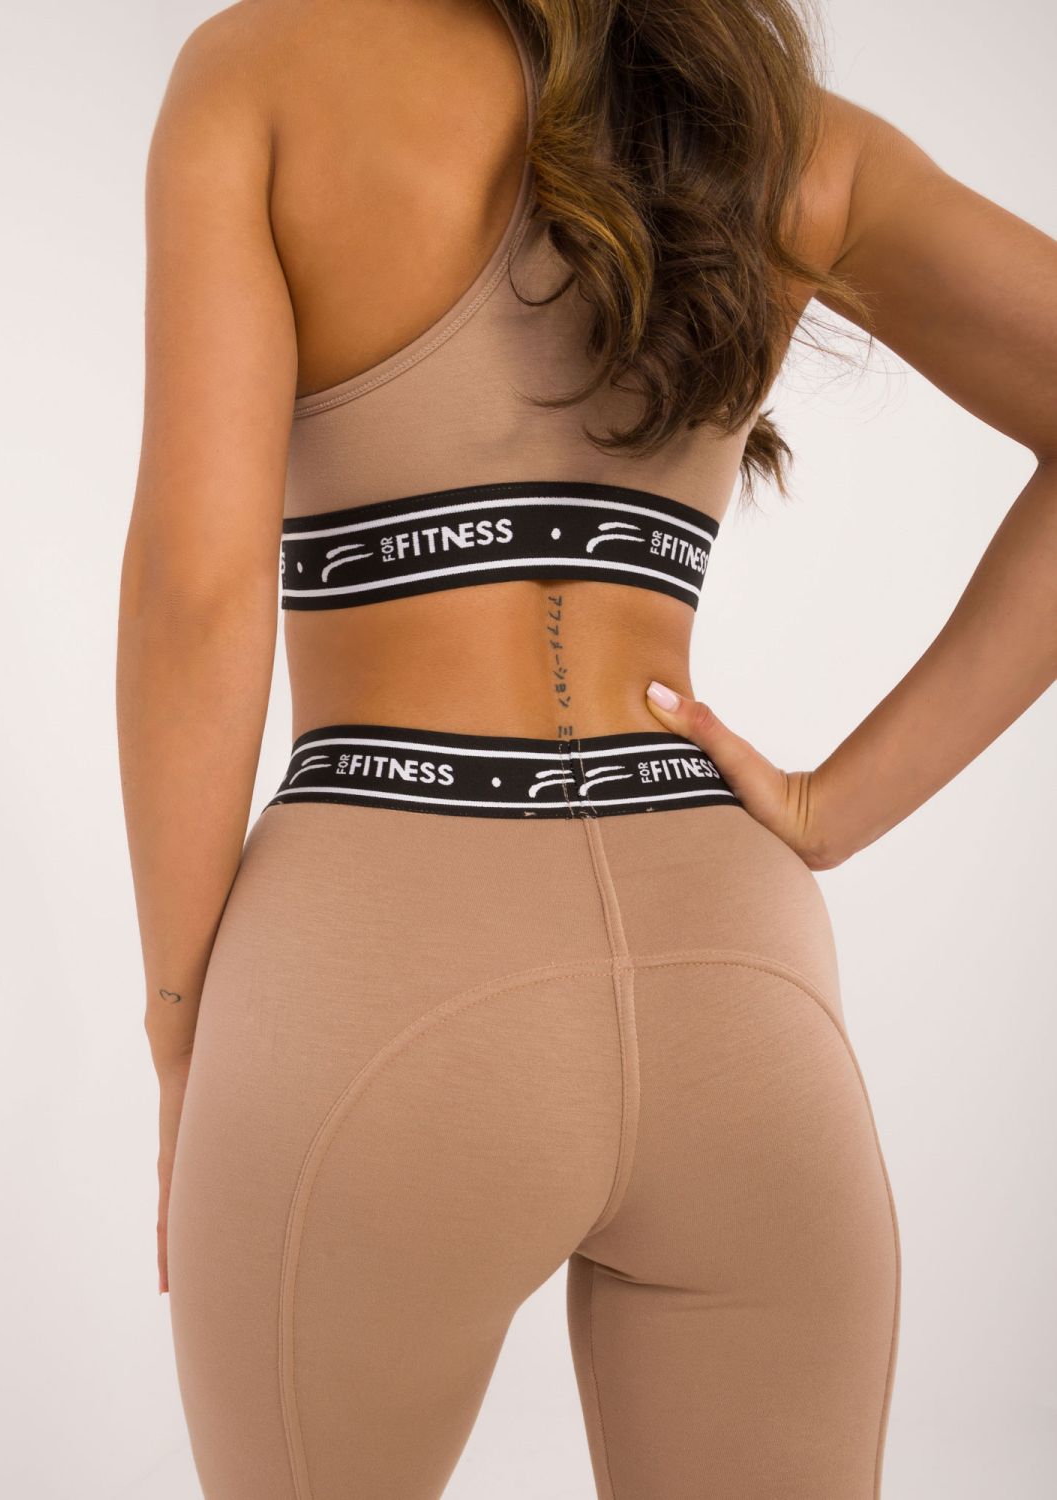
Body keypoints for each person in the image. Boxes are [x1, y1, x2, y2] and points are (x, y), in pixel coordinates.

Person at [115, 1, 1057, 1495]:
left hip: (375, 960)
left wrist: (181, 1034)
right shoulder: (784, 138)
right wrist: (829, 810)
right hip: (741, 984)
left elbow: (198, 592)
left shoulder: (266, 71)